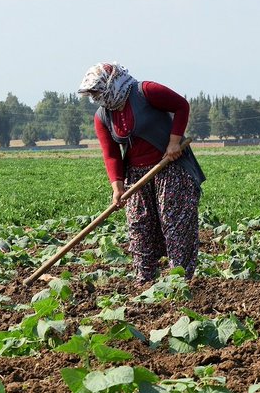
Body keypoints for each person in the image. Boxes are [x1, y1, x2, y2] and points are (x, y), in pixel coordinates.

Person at [78, 62, 204, 283]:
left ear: (111, 83)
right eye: (93, 94)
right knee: (139, 227)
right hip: (136, 175)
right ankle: (144, 281)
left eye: (98, 91)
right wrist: (117, 187)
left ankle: (180, 281)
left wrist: (174, 143)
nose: (96, 98)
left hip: (169, 166)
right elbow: (111, 153)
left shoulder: (144, 91)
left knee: (174, 223)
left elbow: (181, 106)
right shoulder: (103, 116)